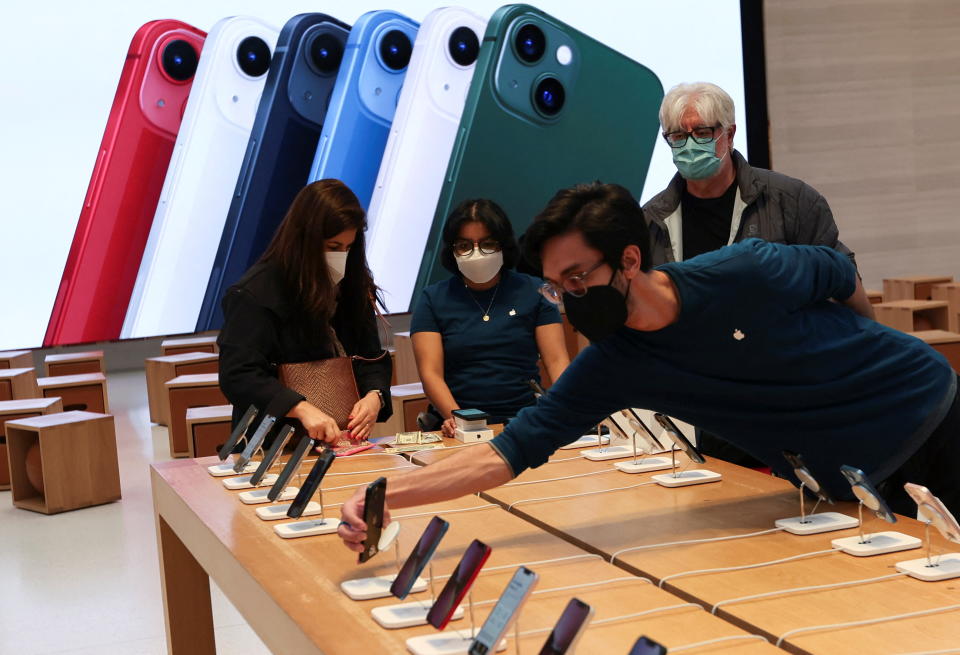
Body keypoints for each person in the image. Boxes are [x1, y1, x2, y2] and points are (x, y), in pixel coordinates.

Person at [337, 181, 958, 553]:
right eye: (557, 287)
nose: (570, 298)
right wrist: (387, 495)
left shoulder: (747, 269)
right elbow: (508, 451)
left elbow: (842, 273)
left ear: (629, 259)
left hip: (930, 413)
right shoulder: (615, 363)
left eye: (578, 277)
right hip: (846, 474)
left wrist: (867, 358)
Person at [644, 82, 874, 465]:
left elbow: (843, 285)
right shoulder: (652, 219)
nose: (690, 145)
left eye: (701, 133)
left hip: (790, 391)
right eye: (678, 136)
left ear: (729, 133)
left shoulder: (792, 202)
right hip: (705, 399)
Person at [218, 179, 392, 446]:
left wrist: (374, 396)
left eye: (348, 247)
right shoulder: (255, 293)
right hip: (274, 445)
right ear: (305, 239)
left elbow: (371, 355)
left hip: (344, 440)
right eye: (333, 247)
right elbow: (239, 375)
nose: (340, 257)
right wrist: (301, 408)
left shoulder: (352, 284)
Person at [410, 199, 570, 437]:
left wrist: (569, 407)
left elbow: (557, 361)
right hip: (457, 424)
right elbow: (430, 373)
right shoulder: (433, 298)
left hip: (524, 421)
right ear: (452, 250)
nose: (477, 253)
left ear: (504, 245)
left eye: (487, 244)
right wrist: (458, 418)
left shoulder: (535, 291)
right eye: (464, 246)